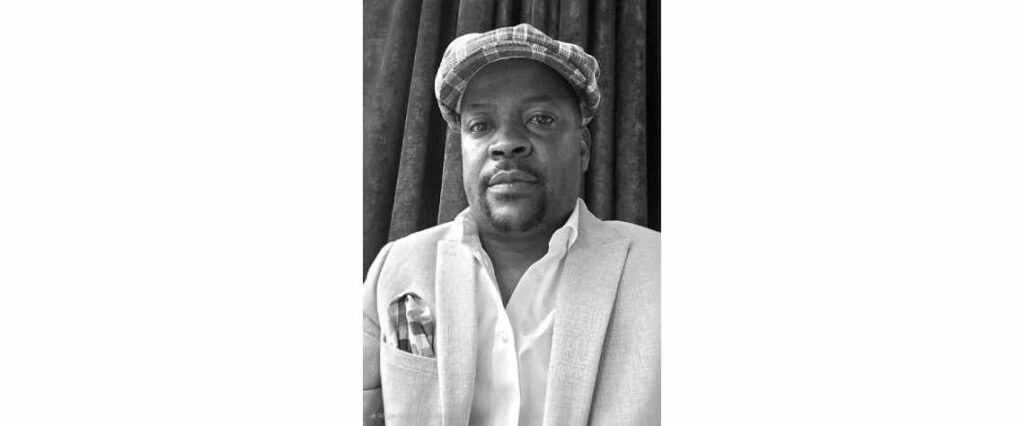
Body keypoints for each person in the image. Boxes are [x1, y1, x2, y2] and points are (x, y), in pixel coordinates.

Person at [363, 23, 660, 425]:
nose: (506, 143)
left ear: (583, 148)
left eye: (540, 119)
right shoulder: (396, 267)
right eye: (480, 125)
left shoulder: (660, 271)